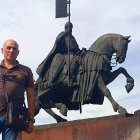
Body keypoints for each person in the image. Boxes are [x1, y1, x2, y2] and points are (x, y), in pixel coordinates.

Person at [0, 39, 35, 140]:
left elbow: (31, 97)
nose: (11, 50)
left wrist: (30, 120)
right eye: (8, 48)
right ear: (2, 50)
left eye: (14, 49)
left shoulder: (26, 71)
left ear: (18, 53)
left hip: (14, 116)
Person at [36, 22, 80, 87]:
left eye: (71, 27)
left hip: (75, 54)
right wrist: (65, 33)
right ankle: (71, 80)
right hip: (67, 55)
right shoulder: (63, 34)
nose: (70, 29)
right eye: (68, 27)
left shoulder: (72, 37)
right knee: (72, 62)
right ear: (65, 28)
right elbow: (58, 40)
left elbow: (76, 48)